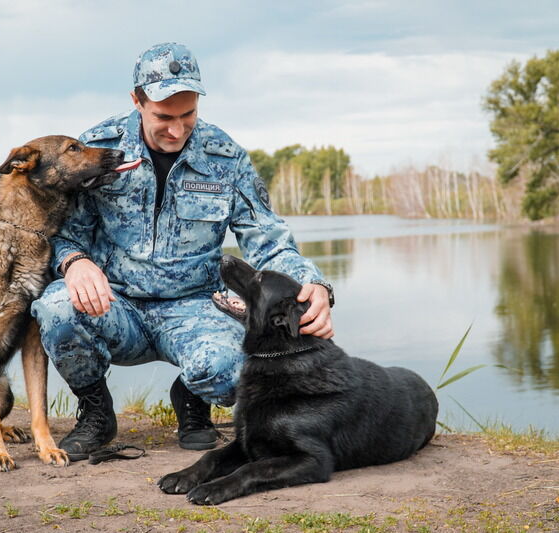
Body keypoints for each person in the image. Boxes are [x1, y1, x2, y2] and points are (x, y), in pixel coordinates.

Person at [31, 42, 335, 461]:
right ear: (137, 101)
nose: (177, 130)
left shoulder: (224, 157)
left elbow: (268, 240)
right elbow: (60, 232)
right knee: (56, 307)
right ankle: (97, 411)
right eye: (163, 117)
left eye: (187, 115)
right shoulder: (96, 149)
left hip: (196, 307)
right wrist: (74, 262)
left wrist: (313, 286)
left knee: (240, 372)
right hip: (114, 303)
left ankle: (192, 396)